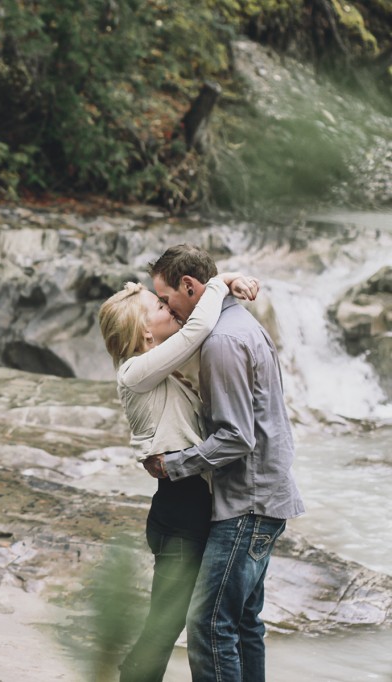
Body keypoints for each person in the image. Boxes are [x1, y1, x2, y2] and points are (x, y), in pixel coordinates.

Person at [142, 244, 306, 682]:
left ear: (191, 287)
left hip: (246, 505)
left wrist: (173, 464)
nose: (165, 308)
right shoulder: (237, 323)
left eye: (165, 298)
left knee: (209, 624)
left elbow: (236, 436)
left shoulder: (221, 342)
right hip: (267, 496)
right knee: (244, 624)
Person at [98, 270, 258, 682]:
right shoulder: (135, 372)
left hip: (192, 507)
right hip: (179, 514)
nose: (169, 308)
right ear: (143, 332)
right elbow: (200, 326)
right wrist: (222, 281)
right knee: (165, 627)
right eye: (159, 306)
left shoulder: (161, 372)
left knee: (199, 621)